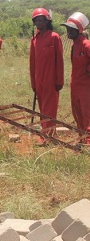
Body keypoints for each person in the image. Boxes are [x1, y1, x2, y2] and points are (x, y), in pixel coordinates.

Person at [29, 8, 64, 142]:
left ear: (47, 21)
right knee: (42, 107)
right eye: (36, 20)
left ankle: (48, 135)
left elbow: (59, 61)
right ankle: (45, 132)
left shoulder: (55, 37)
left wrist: (59, 80)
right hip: (39, 79)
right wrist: (33, 83)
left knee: (50, 108)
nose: (38, 22)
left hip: (51, 79)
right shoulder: (34, 39)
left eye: (41, 20)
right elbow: (32, 63)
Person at [61, 12, 90, 144]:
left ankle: (88, 142)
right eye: (67, 29)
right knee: (77, 114)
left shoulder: (86, 44)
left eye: (72, 29)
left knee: (87, 115)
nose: (69, 32)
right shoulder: (74, 45)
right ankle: (82, 139)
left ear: (79, 30)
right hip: (75, 85)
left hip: (86, 87)